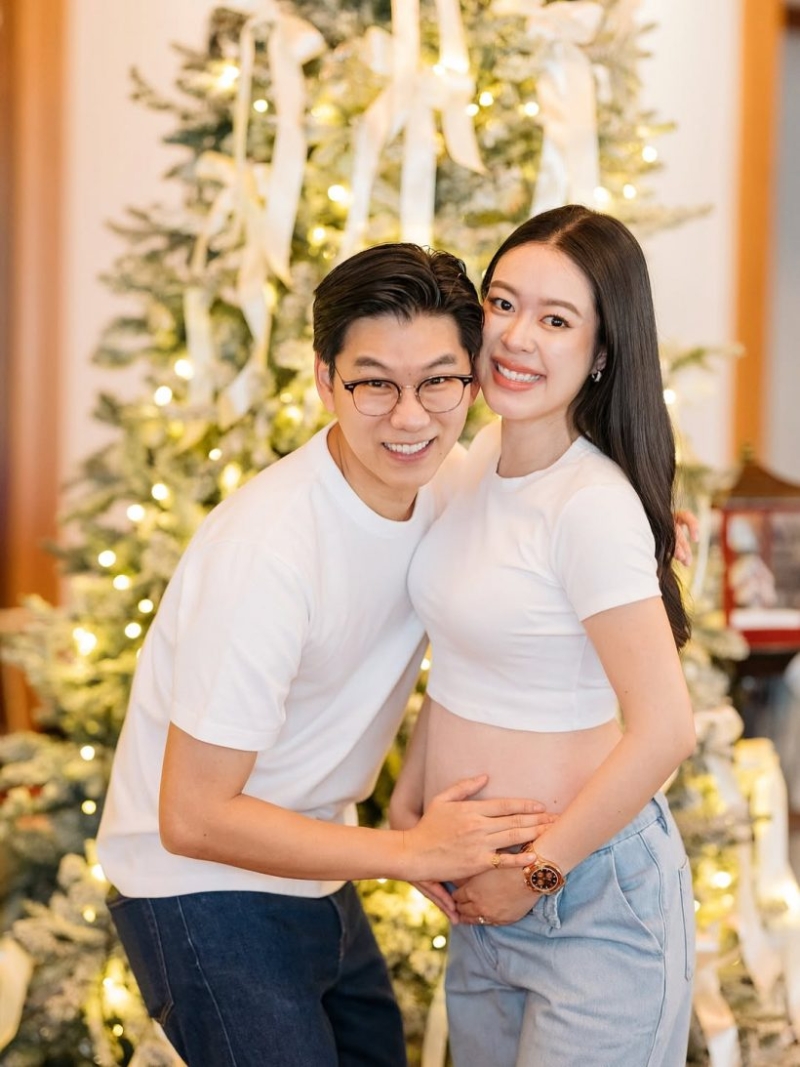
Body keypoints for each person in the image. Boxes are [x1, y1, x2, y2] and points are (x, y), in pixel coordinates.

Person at [96, 243, 554, 1067]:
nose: (410, 417)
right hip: (195, 884)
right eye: (374, 383)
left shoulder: (448, 480)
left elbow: (548, 500)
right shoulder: (266, 552)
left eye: (438, 381)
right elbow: (192, 815)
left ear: (472, 382)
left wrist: (646, 518)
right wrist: (412, 851)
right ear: (324, 380)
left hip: (313, 862)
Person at [391, 205, 697, 1067]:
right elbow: (463, 660)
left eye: (557, 320)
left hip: (587, 900)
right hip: (482, 894)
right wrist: (411, 809)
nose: (517, 337)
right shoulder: (473, 461)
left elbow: (666, 729)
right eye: (503, 303)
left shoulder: (590, 505)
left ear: (601, 352)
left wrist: (537, 872)